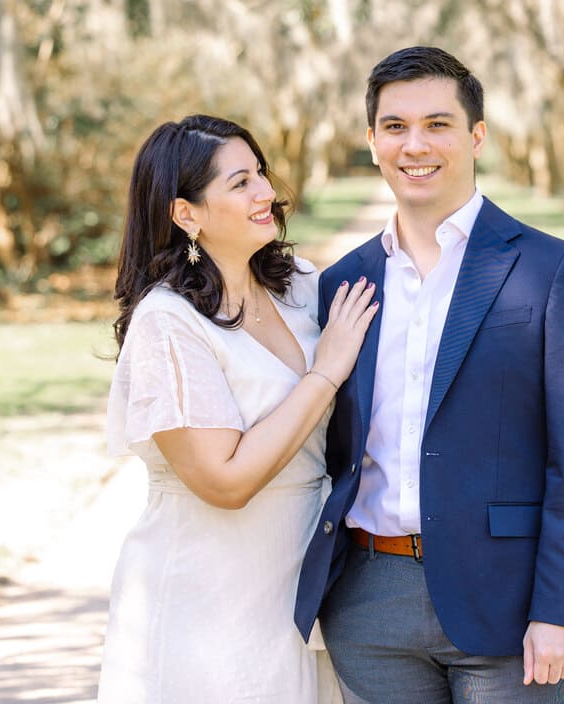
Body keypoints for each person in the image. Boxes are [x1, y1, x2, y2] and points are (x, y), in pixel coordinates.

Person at [293, 47, 564, 703]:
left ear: (476, 136)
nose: (416, 145)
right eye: (395, 127)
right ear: (373, 140)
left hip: (509, 602)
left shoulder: (552, 271)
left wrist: (563, 608)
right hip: (369, 604)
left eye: (438, 124)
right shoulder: (341, 283)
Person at [98, 114, 377, 703]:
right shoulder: (168, 323)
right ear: (186, 214)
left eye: (261, 174)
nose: (266, 193)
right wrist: (325, 371)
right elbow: (224, 481)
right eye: (240, 182)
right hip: (210, 602)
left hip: (303, 588)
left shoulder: (298, 285)